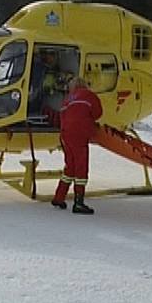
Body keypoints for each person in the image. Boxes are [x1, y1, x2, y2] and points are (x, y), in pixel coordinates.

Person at [51, 77, 103, 214]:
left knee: (70, 167)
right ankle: (79, 203)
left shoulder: (67, 99)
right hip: (79, 135)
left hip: (65, 135)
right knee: (81, 168)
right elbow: (98, 113)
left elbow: (62, 118)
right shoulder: (89, 95)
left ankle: (59, 197)